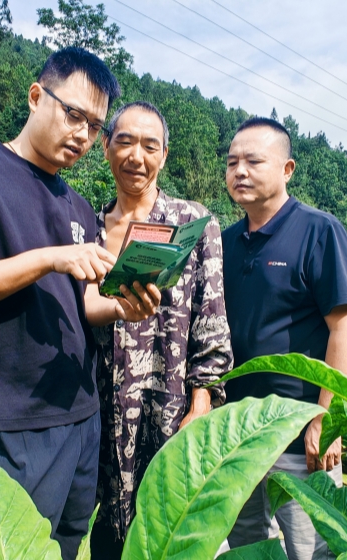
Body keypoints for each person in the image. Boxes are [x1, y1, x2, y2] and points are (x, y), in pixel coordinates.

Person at [0, 48, 161, 560]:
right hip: (10, 420)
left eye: (95, 126)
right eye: (74, 115)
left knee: (64, 547)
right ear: (37, 96)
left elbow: (82, 304)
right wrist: (48, 257)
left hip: (81, 414)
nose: (84, 136)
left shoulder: (78, 205)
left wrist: (122, 308)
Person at [90, 102, 233, 558]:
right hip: (98, 415)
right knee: (105, 537)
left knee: (168, 531)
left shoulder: (194, 224)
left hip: (166, 411)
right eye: (125, 141)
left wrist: (202, 401)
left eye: (150, 145)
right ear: (106, 147)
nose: (137, 156)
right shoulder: (86, 228)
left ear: (164, 155)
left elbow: (211, 320)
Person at [222, 117, 347, 560]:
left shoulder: (319, 232)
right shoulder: (224, 242)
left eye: (253, 161)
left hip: (300, 433)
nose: (240, 171)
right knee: (248, 544)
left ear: (287, 169)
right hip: (239, 432)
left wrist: (327, 417)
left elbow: (344, 326)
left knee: (312, 547)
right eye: (231, 162)